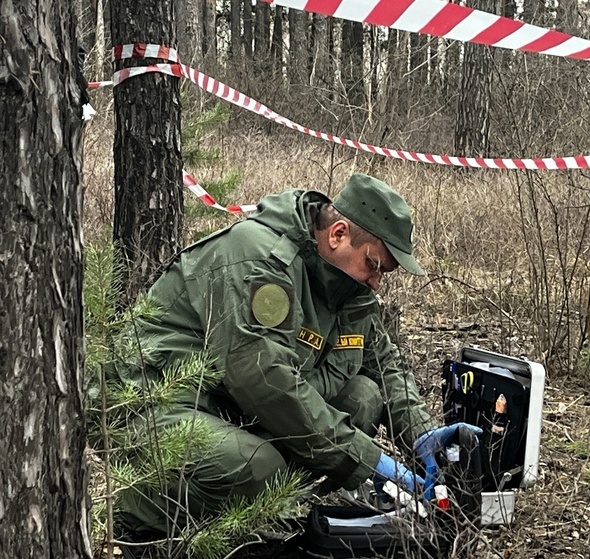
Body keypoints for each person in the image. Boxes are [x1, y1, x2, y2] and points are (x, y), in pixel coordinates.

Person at [113, 173, 480, 540]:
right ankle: (144, 526)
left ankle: (260, 508)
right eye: (374, 265)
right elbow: (268, 382)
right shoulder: (260, 259)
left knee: (363, 397)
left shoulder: (345, 283)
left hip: (227, 400)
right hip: (152, 400)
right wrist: (369, 461)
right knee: (258, 466)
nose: (376, 282)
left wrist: (422, 433)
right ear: (338, 234)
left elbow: (385, 365)